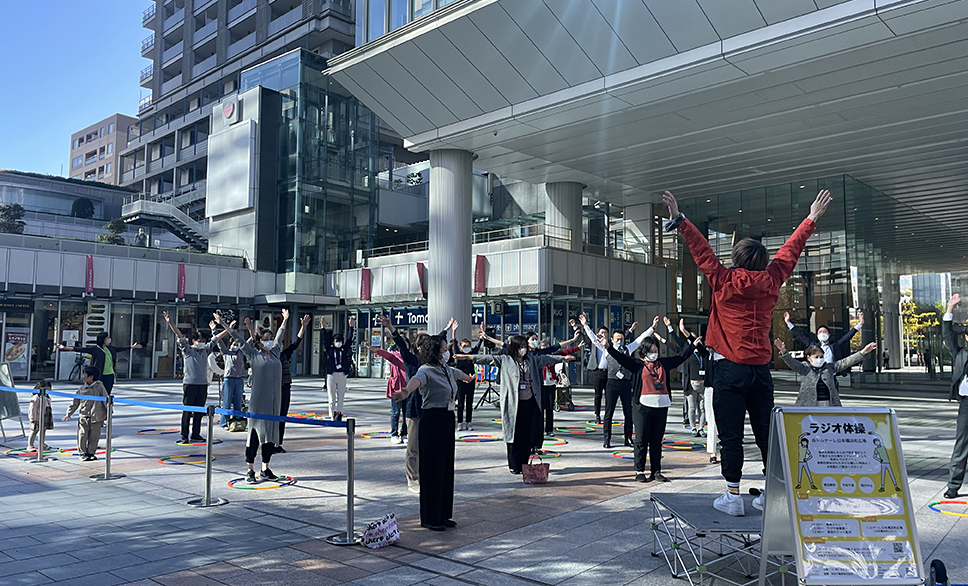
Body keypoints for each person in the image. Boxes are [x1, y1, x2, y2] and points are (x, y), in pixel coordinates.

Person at [662, 188, 832, 516]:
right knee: (767, 435)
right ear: (762, 262)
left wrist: (681, 220)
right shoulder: (772, 280)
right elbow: (790, 252)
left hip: (729, 370)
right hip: (760, 372)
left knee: (730, 436)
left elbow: (702, 252)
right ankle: (770, 494)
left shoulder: (723, 280)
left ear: (737, 259)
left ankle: (732, 497)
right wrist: (811, 218)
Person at [392, 335, 475, 531]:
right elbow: (415, 381)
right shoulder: (426, 370)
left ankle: (444, 514)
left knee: (446, 467)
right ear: (435, 351)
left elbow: (460, 375)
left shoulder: (446, 369)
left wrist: (469, 378)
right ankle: (430, 517)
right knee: (432, 469)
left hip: (447, 419)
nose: (447, 352)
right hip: (432, 420)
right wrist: (405, 392)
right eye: (444, 348)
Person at [461, 336, 572, 474]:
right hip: (514, 403)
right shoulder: (506, 360)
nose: (524, 349)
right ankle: (514, 465)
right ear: (514, 348)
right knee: (514, 434)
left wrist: (562, 358)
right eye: (521, 347)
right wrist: (468, 357)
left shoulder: (531, 359)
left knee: (527, 434)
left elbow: (546, 359)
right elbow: (487, 359)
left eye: (525, 346)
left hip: (530, 402)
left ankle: (524, 463)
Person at [378, 315, 453, 493]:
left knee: (427, 446)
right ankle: (412, 480)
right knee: (413, 447)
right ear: (419, 347)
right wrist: (391, 328)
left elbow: (437, 342)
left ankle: (425, 476)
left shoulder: (432, 363)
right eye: (426, 344)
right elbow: (402, 346)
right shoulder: (412, 360)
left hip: (430, 409)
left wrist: (447, 330)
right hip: (414, 408)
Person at [606, 334, 692, 482]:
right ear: (644, 351)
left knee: (656, 440)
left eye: (656, 350)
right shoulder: (638, 364)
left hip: (661, 406)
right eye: (651, 350)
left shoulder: (663, 364)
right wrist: (608, 347)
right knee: (641, 440)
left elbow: (680, 357)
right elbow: (622, 359)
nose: (654, 353)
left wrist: (693, 346)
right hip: (642, 407)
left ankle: (656, 471)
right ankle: (639, 471)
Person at [580, 313, 663, 448]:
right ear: (612, 340)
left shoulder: (627, 349)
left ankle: (628, 438)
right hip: (612, 383)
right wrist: (585, 325)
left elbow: (640, 339)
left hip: (625, 383)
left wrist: (652, 328)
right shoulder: (607, 348)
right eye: (617, 339)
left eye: (622, 339)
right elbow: (594, 340)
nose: (620, 341)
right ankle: (607, 439)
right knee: (609, 413)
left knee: (628, 413)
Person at [221, 312, 286, 483]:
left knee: (271, 435)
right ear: (259, 341)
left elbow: (280, 336)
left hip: (274, 402)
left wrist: (285, 320)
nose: (269, 341)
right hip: (258, 403)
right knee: (255, 435)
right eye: (266, 338)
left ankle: (265, 468)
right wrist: (225, 325)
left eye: (270, 338)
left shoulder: (275, 353)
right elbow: (239, 340)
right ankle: (250, 470)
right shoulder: (253, 354)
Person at [164, 312, 229, 444]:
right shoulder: (188, 350)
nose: (201, 343)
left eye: (203, 341)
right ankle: (184, 435)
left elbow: (216, 339)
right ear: (193, 341)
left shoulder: (206, 350)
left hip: (203, 384)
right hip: (190, 384)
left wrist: (228, 329)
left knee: (199, 411)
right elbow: (179, 335)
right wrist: (170, 322)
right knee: (187, 411)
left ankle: (196, 434)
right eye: (199, 341)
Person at [775, 338, 877, 406]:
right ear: (809, 358)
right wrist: (783, 351)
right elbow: (792, 362)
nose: (819, 359)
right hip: (808, 405)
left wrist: (863, 352)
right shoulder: (804, 368)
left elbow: (846, 361)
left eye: (821, 357)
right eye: (816, 357)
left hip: (829, 404)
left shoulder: (829, 367)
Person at [942, 293, 968, 499]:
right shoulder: (960, 354)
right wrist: (950, 309)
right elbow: (947, 335)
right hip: (966, 404)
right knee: (961, 445)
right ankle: (953, 486)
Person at [58, 332, 143, 395]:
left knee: (107, 394)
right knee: (97, 393)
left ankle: (104, 409)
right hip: (99, 375)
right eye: (107, 338)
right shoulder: (95, 349)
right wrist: (64, 347)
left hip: (110, 375)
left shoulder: (110, 348)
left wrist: (132, 347)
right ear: (103, 339)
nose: (109, 339)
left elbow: (121, 348)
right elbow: (80, 349)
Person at [783, 311, 863, 372]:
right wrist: (788, 322)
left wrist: (860, 324)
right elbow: (799, 336)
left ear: (829, 335)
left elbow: (848, 336)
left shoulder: (835, 345)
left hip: (830, 372)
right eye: (820, 332)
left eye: (825, 332)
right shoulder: (813, 345)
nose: (822, 333)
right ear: (817, 335)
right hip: (815, 372)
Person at [277, 313, 310, 453]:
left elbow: (296, 343)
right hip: (273, 389)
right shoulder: (265, 355)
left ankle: (278, 443)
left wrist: (303, 327)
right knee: (272, 417)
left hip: (285, 387)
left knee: (282, 416)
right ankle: (268, 443)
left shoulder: (284, 354)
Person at [61, 366, 109, 461]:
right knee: (82, 434)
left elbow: (106, 401)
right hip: (84, 415)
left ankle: (91, 452)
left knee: (94, 435)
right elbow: (76, 402)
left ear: (91, 377)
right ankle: (82, 453)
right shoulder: (82, 388)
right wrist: (69, 413)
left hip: (96, 416)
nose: (83, 377)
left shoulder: (100, 387)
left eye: (85, 375)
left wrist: (107, 413)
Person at [368, 338, 410, 444]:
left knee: (407, 413)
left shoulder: (410, 357)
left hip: (408, 388)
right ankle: (394, 434)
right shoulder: (394, 356)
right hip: (396, 387)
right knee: (396, 412)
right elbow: (386, 355)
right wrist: (376, 350)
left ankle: (404, 433)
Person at [538, 338, 582, 437]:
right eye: (543, 347)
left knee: (550, 408)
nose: (546, 349)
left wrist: (577, 347)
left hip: (551, 384)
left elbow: (565, 352)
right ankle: (540, 429)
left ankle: (549, 430)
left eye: (547, 347)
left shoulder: (553, 356)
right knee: (540, 409)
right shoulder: (538, 357)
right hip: (541, 385)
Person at [320, 316, 356, 421]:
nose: (338, 343)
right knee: (331, 398)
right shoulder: (330, 350)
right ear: (333, 342)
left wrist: (351, 326)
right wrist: (323, 327)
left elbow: (349, 339)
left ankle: (339, 414)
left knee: (341, 397)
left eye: (340, 341)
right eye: (336, 341)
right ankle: (332, 415)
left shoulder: (343, 350)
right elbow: (325, 340)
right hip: (331, 375)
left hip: (342, 374)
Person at [215, 321, 248, 430]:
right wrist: (214, 330)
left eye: (237, 344)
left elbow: (248, 343)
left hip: (239, 379)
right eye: (234, 344)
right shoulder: (226, 352)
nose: (235, 345)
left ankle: (237, 420)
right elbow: (218, 341)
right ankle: (224, 422)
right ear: (230, 344)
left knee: (238, 401)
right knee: (227, 401)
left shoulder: (241, 352)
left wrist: (252, 330)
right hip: (228, 379)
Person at [449, 327, 483, 432]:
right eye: (464, 346)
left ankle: (469, 422)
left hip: (471, 380)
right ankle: (460, 422)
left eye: (468, 346)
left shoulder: (472, 354)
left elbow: (478, 344)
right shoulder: (458, 354)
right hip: (460, 381)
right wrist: (454, 331)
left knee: (469, 402)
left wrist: (481, 335)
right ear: (460, 347)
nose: (466, 348)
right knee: (460, 403)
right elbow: (454, 342)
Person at [678, 319, 706, 437]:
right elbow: (674, 343)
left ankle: (701, 428)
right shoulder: (688, 353)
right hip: (691, 383)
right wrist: (682, 330)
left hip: (703, 384)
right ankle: (693, 427)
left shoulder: (704, 353)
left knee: (703, 408)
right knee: (692, 407)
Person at [28, 380, 53, 451]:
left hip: (45, 415)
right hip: (37, 417)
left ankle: (42, 444)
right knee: (34, 430)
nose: (50, 389)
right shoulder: (36, 397)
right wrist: (33, 418)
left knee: (43, 431)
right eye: (48, 387)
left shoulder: (46, 396)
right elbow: (33, 408)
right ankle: (30, 445)